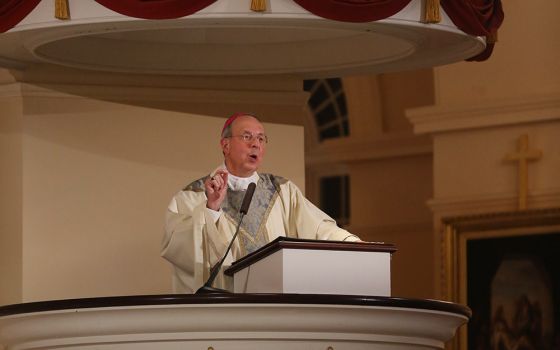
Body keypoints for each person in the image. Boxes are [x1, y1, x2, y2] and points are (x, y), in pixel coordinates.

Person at [161, 113, 360, 293]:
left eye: (261, 138)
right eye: (247, 137)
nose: (256, 144)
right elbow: (179, 250)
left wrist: (354, 244)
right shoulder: (193, 195)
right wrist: (211, 209)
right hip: (222, 311)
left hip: (275, 306)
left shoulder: (282, 190)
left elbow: (319, 228)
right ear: (225, 145)